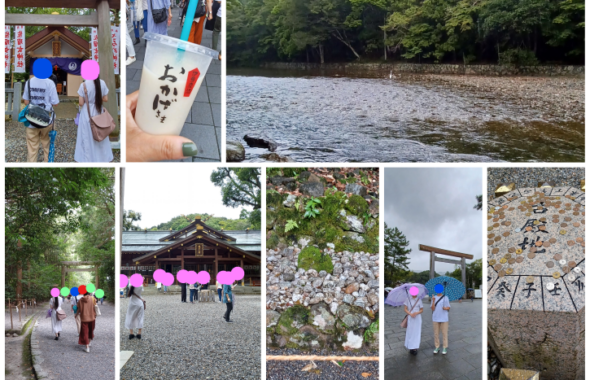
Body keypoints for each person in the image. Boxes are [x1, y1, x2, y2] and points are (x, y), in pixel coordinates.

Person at [75, 73, 114, 162]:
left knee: (87, 135)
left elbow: (81, 103)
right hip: (98, 111)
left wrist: (89, 99)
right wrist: (97, 98)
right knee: (100, 133)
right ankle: (102, 158)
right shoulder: (102, 83)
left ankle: (87, 159)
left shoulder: (83, 85)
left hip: (87, 113)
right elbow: (106, 99)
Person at [22, 75, 60, 162]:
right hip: (47, 120)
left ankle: (31, 169)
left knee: (32, 148)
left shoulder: (29, 82)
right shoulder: (50, 83)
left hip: (32, 120)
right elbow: (55, 103)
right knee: (47, 146)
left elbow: (26, 102)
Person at [431, 291, 451, 355]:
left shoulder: (446, 297)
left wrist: (445, 308)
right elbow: (432, 308)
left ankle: (445, 347)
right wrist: (433, 301)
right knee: (436, 333)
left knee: (444, 333)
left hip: (444, 318)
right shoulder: (434, 298)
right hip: (435, 318)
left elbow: (449, 307)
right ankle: (437, 346)